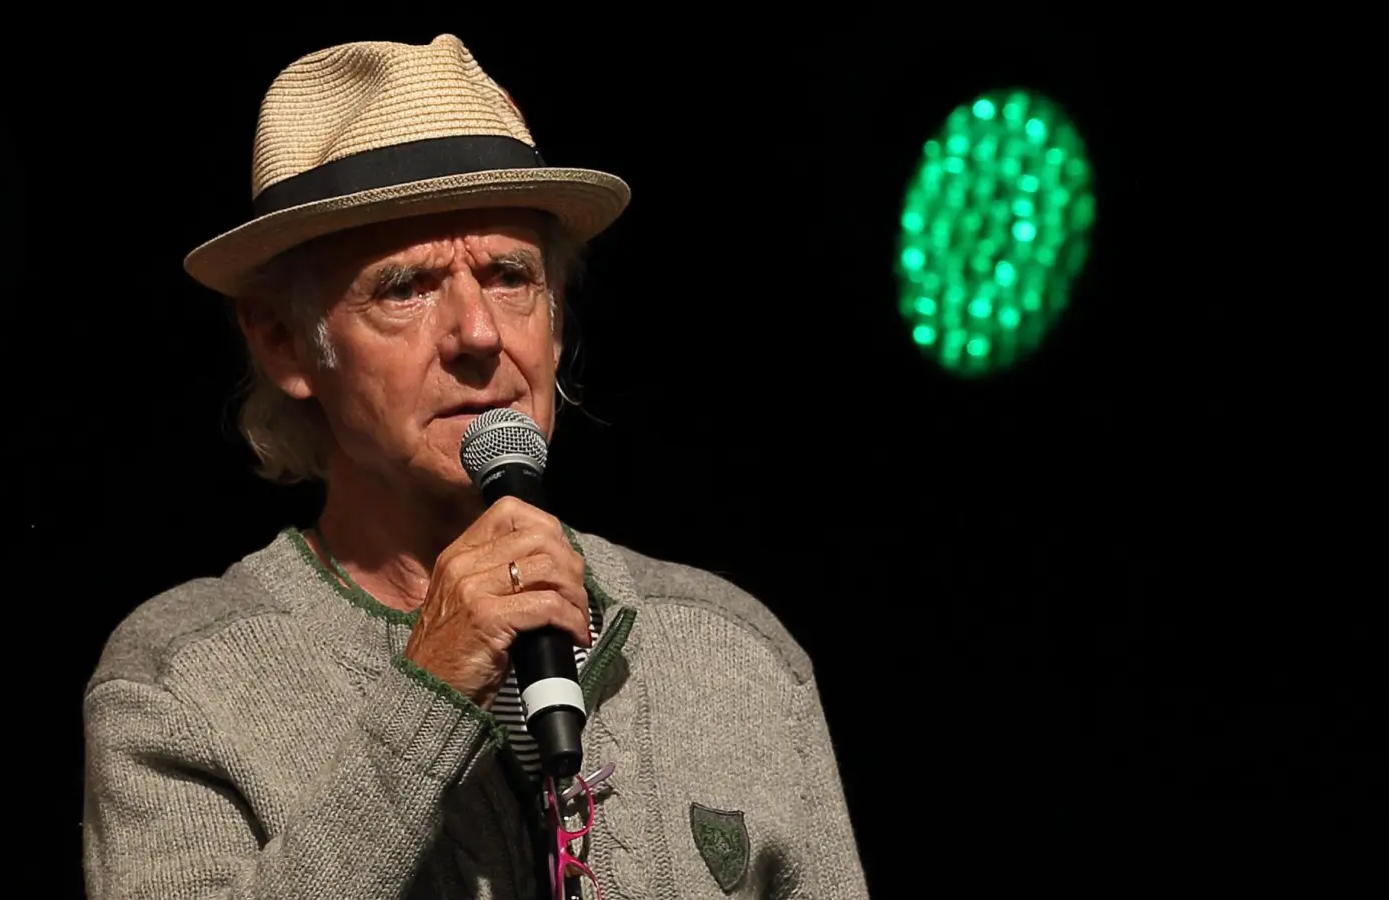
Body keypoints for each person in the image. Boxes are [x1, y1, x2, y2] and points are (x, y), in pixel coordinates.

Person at [82, 34, 869, 899]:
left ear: (555, 318)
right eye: (405, 287)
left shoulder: (730, 652)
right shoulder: (183, 680)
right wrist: (431, 693)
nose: (479, 334)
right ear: (283, 341)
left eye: (508, 276)